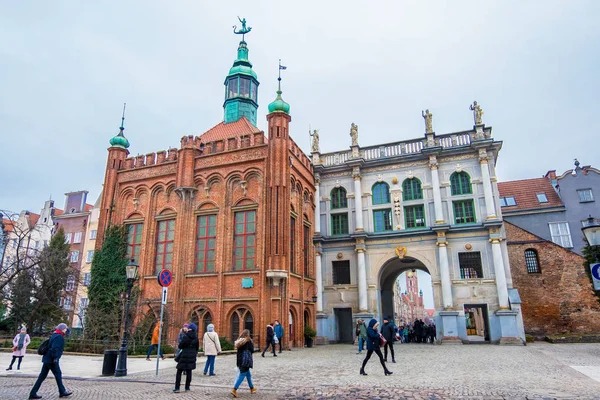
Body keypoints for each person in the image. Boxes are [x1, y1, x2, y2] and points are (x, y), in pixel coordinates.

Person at [29, 323, 72, 399]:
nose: (66, 330)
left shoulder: (54, 335)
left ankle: (33, 393)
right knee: (58, 374)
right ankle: (62, 391)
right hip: (52, 360)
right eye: (65, 329)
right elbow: (55, 348)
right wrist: (55, 358)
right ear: (62, 329)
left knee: (42, 376)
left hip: (47, 359)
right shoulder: (59, 337)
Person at [173, 323, 199, 393]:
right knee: (189, 371)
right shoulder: (196, 338)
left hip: (184, 356)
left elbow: (180, 346)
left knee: (179, 371)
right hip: (192, 356)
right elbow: (197, 348)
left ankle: (177, 388)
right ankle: (187, 387)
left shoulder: (186, 336)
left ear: (189, 328)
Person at [232, 329, 257, 398]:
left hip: (240, 360)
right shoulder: (248, 341)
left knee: (248, 375)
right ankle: (234, 389)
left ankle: (252, 388)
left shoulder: (239, 340)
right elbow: (252, 350)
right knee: (242, 375)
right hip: (245, 360)